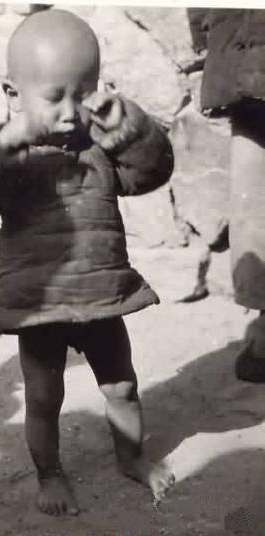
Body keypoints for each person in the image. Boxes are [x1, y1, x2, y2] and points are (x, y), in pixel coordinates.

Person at [0, 9, 175, 515]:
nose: (72, 112)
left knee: (122, 386)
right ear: (14, 95)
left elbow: (151, 173)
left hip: (102, 299)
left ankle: (131, 458)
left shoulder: (99, 148)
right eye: (55, 97)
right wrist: (1, 146)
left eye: (85, 93)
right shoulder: (12, 158)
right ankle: (50, 474)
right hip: (42, 308)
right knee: (43, 399)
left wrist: (129, 127)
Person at [187, 8, 265, 383]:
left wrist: (205, 34)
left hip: (242, 48)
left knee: (254, 189)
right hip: (245, 48)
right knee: (253, 189)